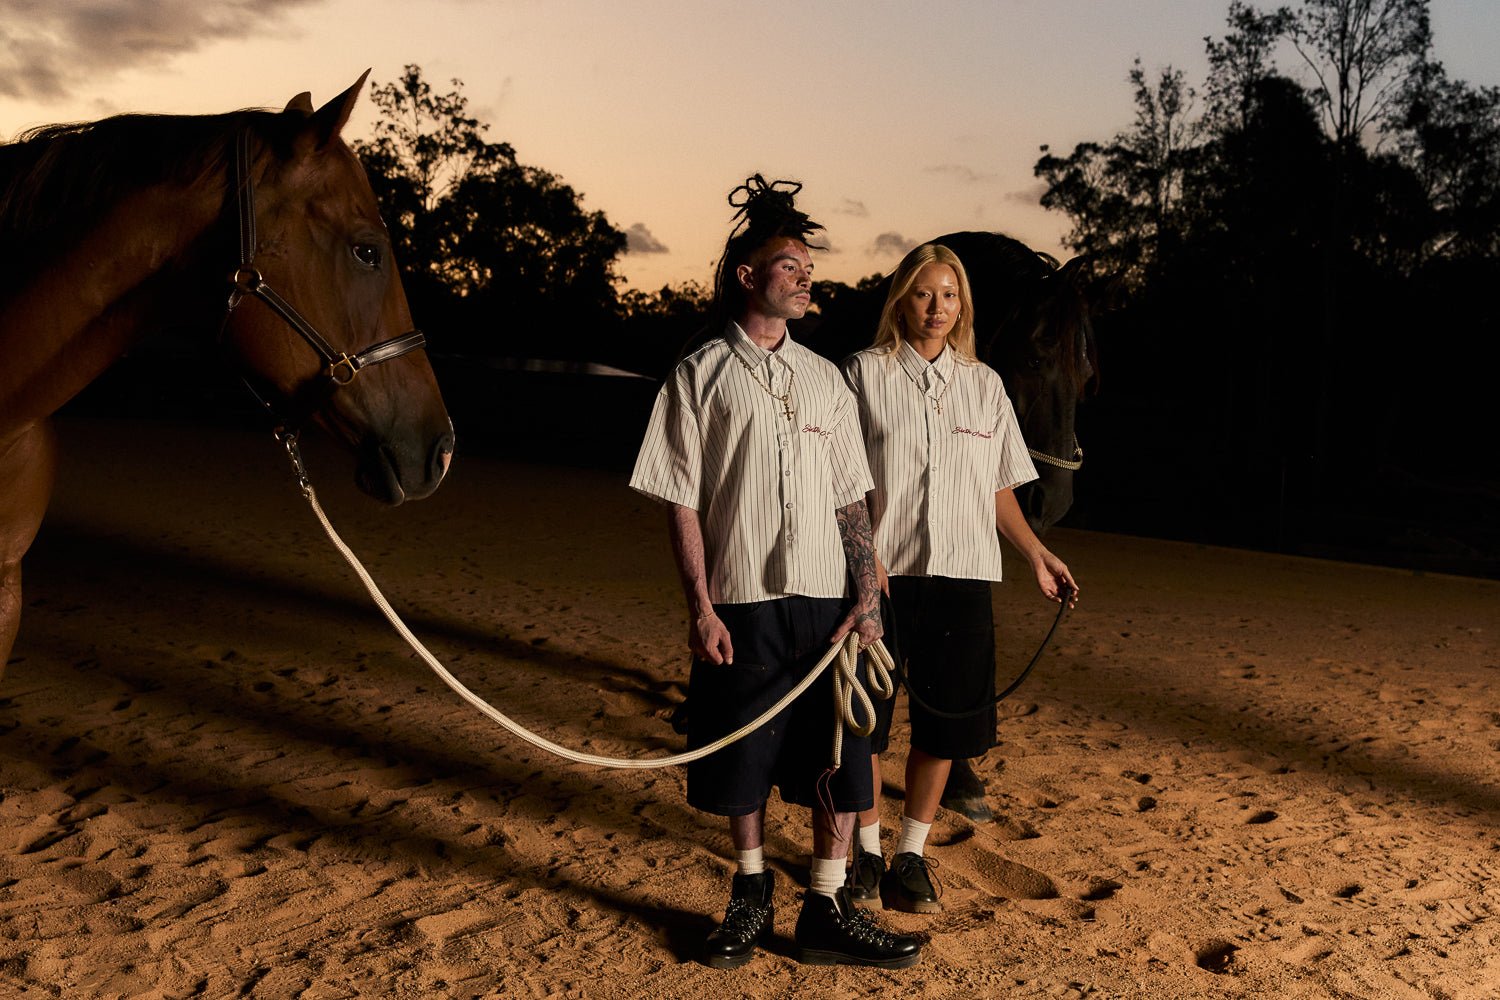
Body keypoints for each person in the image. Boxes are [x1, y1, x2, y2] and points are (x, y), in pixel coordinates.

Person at [629, 175, 922, 969]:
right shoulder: (698, 376)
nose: (805, 276)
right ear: (747, 277)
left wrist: (867, 596)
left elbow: (851, 499)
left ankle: (826, 906)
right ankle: (751, 893)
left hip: (829, 605)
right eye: (789, 265)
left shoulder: (827, 378)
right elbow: (681, 500)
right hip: (745, 602)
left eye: (807, 267)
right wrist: (701, 607)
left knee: (839, 759)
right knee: (743, 758)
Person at [840, 243, 1078, 914]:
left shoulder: (984, 384)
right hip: (881, 577)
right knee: (864, 726)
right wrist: (864, 557)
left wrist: (1035, 553)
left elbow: (996, 487)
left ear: (962, 306)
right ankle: (864, 853)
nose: (937, 307)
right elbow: (841, 479)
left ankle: (910, 854)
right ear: (901, 301)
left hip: (965, 577)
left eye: (949, 295)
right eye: (924, 293)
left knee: (946, 727)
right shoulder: (862, 375)